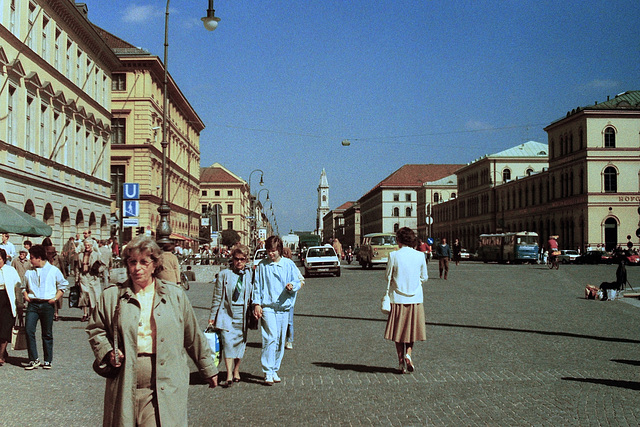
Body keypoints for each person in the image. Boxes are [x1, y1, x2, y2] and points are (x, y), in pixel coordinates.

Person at [86, 235, 218, 426]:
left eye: (143, 262)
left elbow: (192, 335)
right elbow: (96, 329)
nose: (137, 268)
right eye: (132, 262)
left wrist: (208, 368)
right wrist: (107, 352)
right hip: (125, 381)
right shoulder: (112, 296)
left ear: (155, 265)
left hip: (165, 381)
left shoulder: (175, 296)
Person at [252, 235, 301, 385]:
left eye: (273, 251)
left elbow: (298, 280)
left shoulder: (288, 264)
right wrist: (257, 304)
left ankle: (274, 369)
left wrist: (292, 286)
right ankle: (267, 371)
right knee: (270, 336)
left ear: (279, 250)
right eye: (268, 251)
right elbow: (257, 286)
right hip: (268, 306)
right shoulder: (262, 266)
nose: (270, 254)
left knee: (280, 340)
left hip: (283, 307)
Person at [383, 227, 428, 374]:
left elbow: (387, 276)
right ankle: (409, 354)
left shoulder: (394, 255)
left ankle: (401, 361)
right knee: (411, 330)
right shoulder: (420, 256)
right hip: (415, 298)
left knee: (398, 332)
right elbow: (424, 277)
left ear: (398, 240)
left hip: (397, 298)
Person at [209, 244, 254, 386]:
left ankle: (236, 370)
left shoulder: (250, 275)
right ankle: (228, 373)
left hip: (243, 314)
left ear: (247, 260)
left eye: (242, 259)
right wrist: (212, 316)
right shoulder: (224, 275)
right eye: (236, 259)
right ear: (232, 259)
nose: (239, 262)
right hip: (226, 313)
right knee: (227, 342)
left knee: (240, 343)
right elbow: (217, 297)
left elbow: (255, 294)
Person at [22, 244, 68, 370]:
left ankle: (48, 360)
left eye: (31, 257)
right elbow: (23, 286)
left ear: (39, 258)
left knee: (46, 333)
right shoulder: (29, 272)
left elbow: (63, 285)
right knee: (29, 330)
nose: (30, 260)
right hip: (33, 304)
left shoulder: (53, 270)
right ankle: (33, 359)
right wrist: (26, 295)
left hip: (47, 304)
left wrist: (55, 298)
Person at [0, 249, 22, 366]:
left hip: (7, 301)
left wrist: (20, 304)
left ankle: (1, 355)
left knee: (5, 328)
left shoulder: (10, 270)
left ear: (4, 259)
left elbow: (18, 286)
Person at [282, 246, 305, 350]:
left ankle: (289, 340)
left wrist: (294, 287)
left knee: (289, 321)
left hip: (289, 300)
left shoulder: (292, 266)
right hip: (277, 300)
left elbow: (301, 280)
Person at [75, 238, 102, 322]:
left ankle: (91, 314)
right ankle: (85, 314)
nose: (87, 247)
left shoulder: (96, 254)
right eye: (86, 245)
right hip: (83, 277)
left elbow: (103, 265)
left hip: (93, 277)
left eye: (88, 245)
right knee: (84, 295)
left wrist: (98, 270)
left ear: (91, 246)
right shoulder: (80, 255)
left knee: (93, 296)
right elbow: (77, 268)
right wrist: (77, 278)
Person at [42, 238, 64, 322]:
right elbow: (62, 268)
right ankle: (55, 313)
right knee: (54, 295)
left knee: (51, 295)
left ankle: (54, 312)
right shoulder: (56, 256)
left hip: (50, 277)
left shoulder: (46, 255)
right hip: (55, 277)